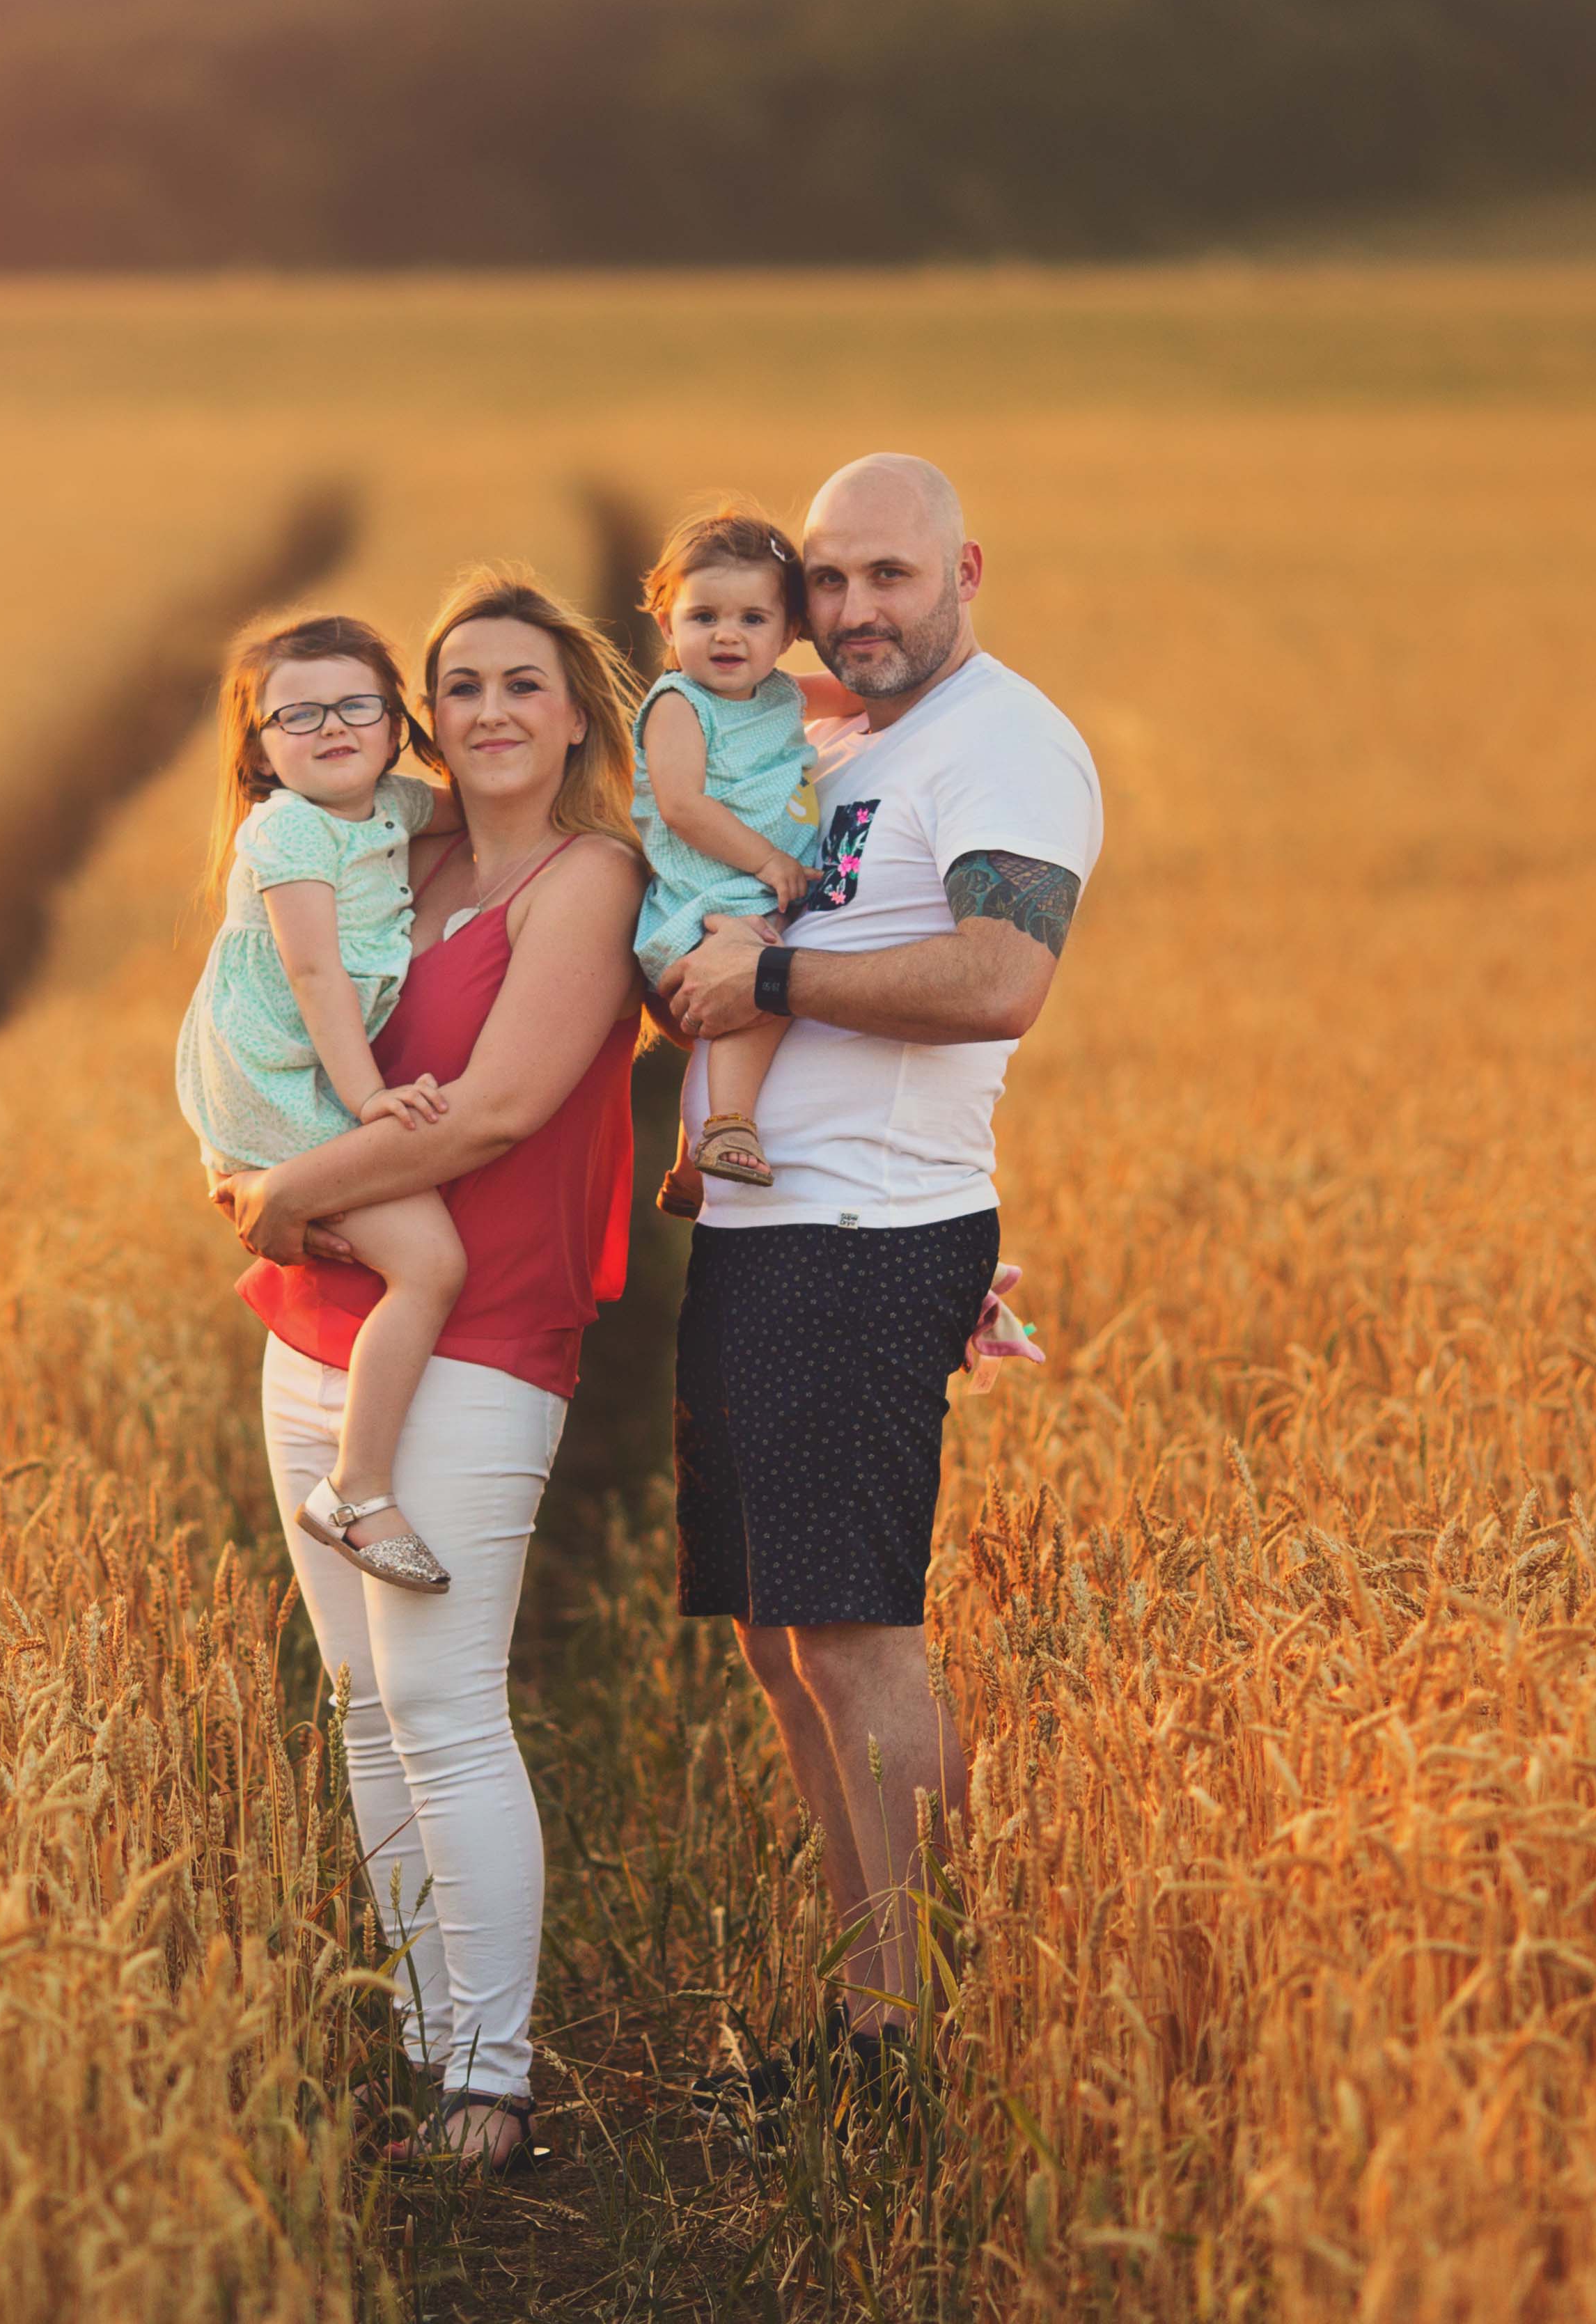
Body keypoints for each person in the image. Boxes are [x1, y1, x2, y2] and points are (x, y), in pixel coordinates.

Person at [662, 452, 1103, 2077]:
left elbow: (998, 974)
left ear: (963, 569)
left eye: (885, 579)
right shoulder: (837, 741)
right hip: (765, 1228)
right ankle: (866, 2007)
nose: (848, 611)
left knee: (852, 1632)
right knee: (777, 1638)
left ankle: (937, 2020)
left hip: (865, 1233)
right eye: (826, 581)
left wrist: (766, 974)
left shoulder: (1004, 746)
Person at [210, 567, 650, 2176]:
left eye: (519, 684)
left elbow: (487, 1115)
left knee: (444, 1703)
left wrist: (277, 1194)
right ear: (422, 720)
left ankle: (490, 2071)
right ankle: (419, 2026)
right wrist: (244, 1163)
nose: (485, 713)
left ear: (573, 711)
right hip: (312, 1317)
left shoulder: (587, 881)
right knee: (355, 1707)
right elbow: (272, 993)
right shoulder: (397, 849)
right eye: (456, 686)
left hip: (483, 1327)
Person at [173, 613, 467, 1592]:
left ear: (395, 726)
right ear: (258, 752)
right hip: (279, 1068)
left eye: (356, 706)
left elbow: (480, 812)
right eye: (296, 715)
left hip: (303, 1065)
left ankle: (360, 1470)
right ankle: (358, 1488)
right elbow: (314, 973)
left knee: (405, 1251)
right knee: (427, 1261)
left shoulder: (392, 804)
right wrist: (369, 1100)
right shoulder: (289, 827)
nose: (330, 727)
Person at [624, 505, 864, 1210]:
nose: (727, 635)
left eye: (754, 620)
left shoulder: (781, 695)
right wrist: (768, 862)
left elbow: (860, 694)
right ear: (668, 625)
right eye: (704, 618)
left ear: (792, 631)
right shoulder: (679, 704)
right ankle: (728, 1130)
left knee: (761, 1004)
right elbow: (682, 805)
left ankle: (690, 1167)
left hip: (745, 901)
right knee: (759, 989)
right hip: (704, 908)